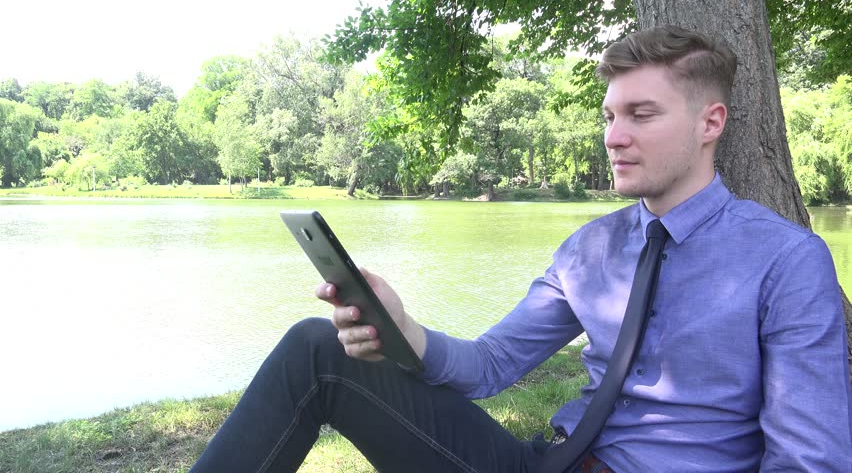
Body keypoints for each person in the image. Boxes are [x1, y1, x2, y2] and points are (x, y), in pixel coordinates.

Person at [191, 25, 852, 472]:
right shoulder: (590, 248)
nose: (614, 137)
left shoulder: (786, 262)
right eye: (609, 116)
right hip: (548, 462)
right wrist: (404, 330)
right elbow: (491, 365)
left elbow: (809, 460)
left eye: (641, 115)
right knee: (319, 349)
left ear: (711, 123)